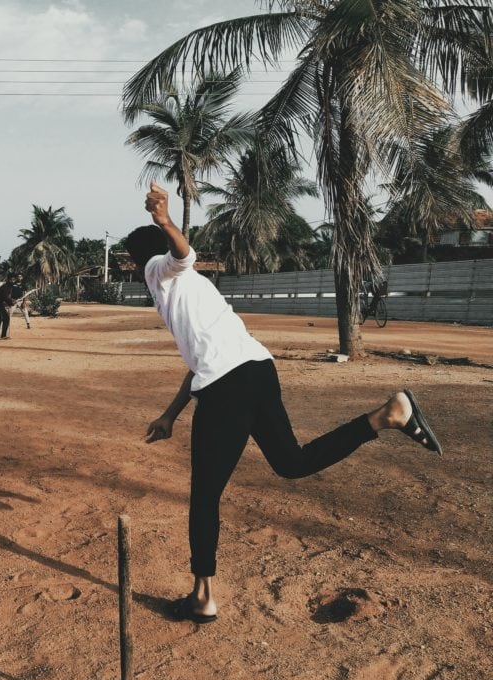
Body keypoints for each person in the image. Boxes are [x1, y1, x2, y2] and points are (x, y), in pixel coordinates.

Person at [131, 181, 444, 624]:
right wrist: (170, 414)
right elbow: (201, 359)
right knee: (292, 462)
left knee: (204, 496)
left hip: (228, 387)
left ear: (137, 260)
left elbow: (182, 255)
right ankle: (386, 415)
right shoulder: (194, 293)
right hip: (258, 370)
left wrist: (164, 222)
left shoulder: (160, 272)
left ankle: (203, 597)